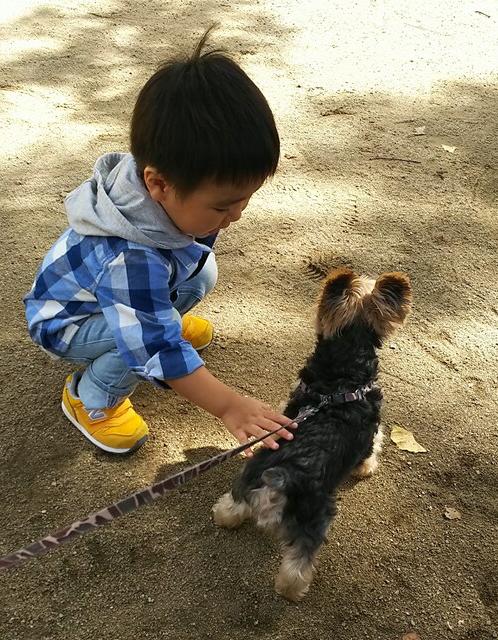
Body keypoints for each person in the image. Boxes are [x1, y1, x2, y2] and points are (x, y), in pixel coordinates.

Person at [23, 28, 295, 455]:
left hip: (115, 295)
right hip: (65, 324)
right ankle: (90, 398)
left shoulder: (163, 184)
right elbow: (155, 347)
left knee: (200, 274)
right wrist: (229, 406)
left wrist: (159, 318)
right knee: (140, 338)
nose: (236, 216)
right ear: (158, 184)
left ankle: (157, 316)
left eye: (245, 200)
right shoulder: (131, 257)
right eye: (223, 206)